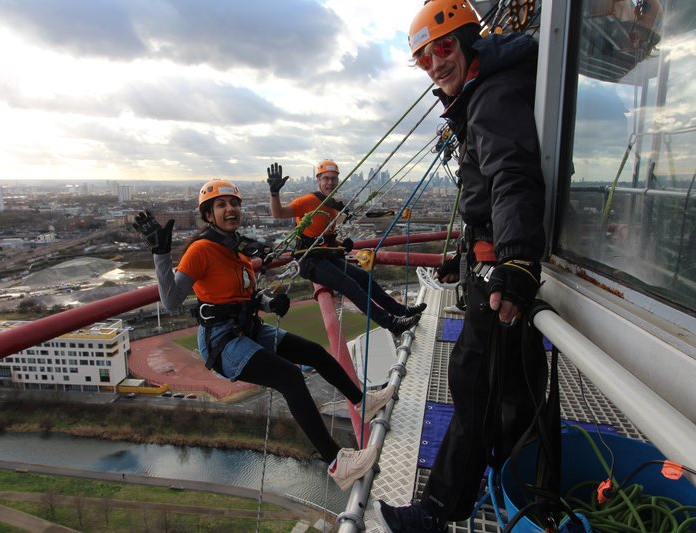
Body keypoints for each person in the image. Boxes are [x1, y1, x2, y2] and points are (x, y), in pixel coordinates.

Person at [374, 1, 548, 531]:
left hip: (499, 273)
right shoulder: (485, 90)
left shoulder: (490, 95)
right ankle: (522, 489)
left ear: (470, 40)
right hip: (491, 261)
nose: (434, 64)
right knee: (511, 390)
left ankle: (439, 511)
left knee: (473, 385)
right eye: (423, 58)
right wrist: (463, 253)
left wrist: (516, 258)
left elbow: (512, 175)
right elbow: (494, 191)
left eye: (443, 47)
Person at [133, 179, 396, 491]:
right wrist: (160, 254)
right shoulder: (201, 250)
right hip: (222, 342)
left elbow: (244, 297)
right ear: (208, 216)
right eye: (221, 205)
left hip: (248, 329)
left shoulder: (238, 253)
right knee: (291, 378)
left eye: (234, 204)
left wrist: (272, 303)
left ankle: (362, 400)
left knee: (314, 353)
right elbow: (172, 299)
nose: (230, 209)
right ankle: (338, 464)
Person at [267, 159, 426, 336]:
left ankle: (400, 310)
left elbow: (325, 240)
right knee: (349, 285)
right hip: (310, 261)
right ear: (318, 180)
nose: (330, 182)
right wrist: (274, 193)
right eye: (326, 178)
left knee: (364, 278)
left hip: (326, 257)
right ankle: (392, 324)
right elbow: (278, 213)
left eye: (333, 179)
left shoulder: (333, 207)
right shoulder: (308, 201)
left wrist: (342, 245)